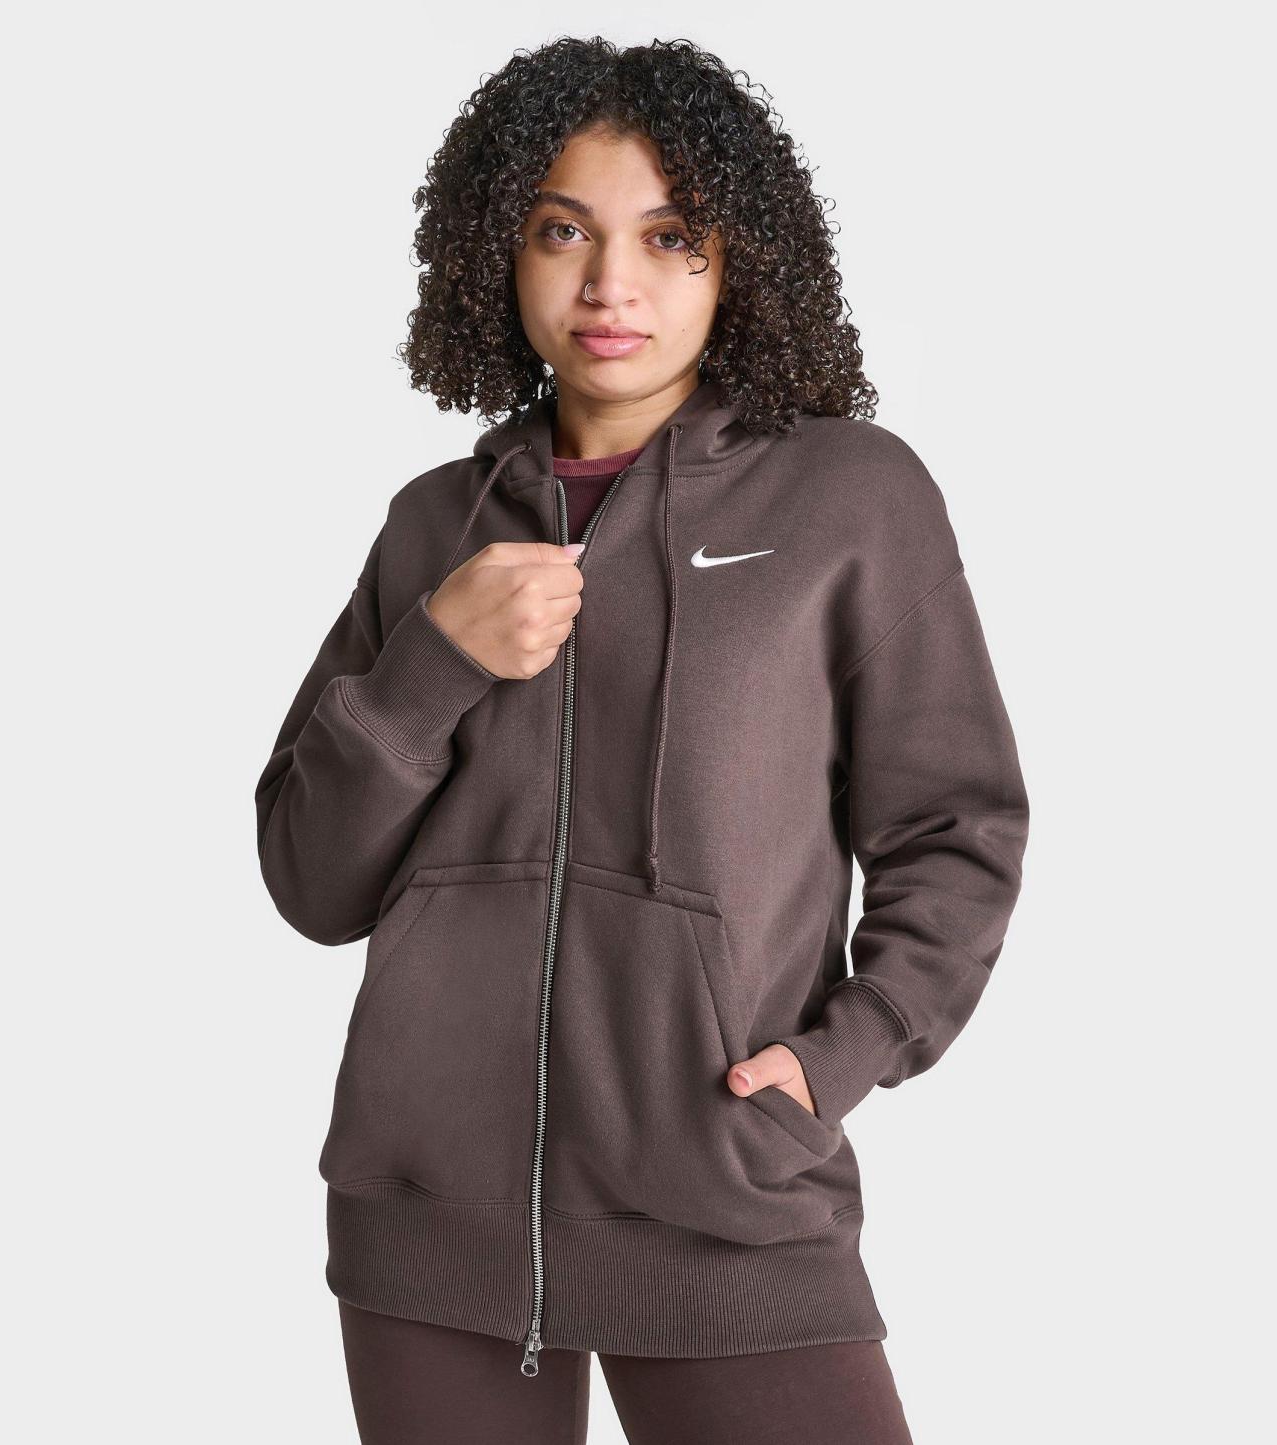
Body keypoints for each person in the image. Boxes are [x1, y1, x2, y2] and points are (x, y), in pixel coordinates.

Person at [254, 35, 1028, 1445]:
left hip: (722, 1186)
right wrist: (432, 662)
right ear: (498, 252)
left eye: (669, 237)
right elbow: (313, 880)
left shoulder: (849, 498)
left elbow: (954, 829)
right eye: (564, 232)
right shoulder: (434, 523)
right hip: (428, 1215)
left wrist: (841, 1056)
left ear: (739, 263)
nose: (611, 284)